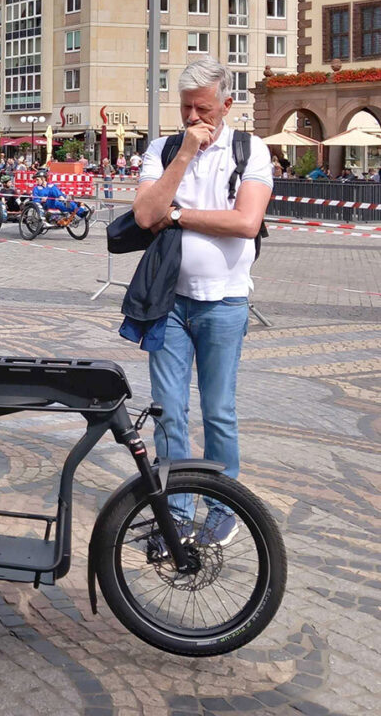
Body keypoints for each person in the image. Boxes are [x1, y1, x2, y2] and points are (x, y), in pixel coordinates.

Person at [132, 57, 272, 546]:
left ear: (227, 104)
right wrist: (184, 157)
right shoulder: (163, 149)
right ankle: (175, 510)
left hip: (225, 304)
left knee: (218, 411)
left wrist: (180, 215)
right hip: (168, 303)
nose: (193, 118)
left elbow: (246, 223)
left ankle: (221, 506)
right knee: (169, 411)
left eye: (204, 109)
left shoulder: (250, 150)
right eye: (186, 108)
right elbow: (147, 215)